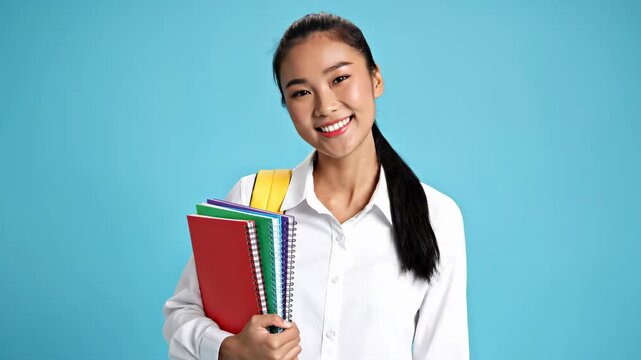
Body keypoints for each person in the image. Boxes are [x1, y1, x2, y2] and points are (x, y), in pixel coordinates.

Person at [163, 12, 469, 360]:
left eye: (339, 78)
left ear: (376, 79)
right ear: (286, 105)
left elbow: (446, 352)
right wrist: (229, 349)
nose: (325, 106)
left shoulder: (437, 216)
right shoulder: (252, 200)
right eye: (302, 92)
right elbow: (181, 315)